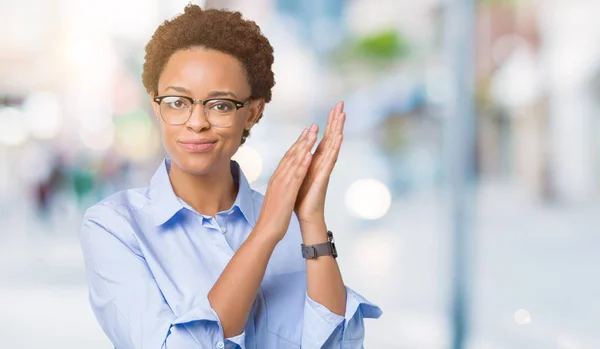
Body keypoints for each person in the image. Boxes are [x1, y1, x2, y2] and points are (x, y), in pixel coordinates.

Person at [79, 5, 381, 349]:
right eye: (177, 102)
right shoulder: (114, 227)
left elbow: (337, 345)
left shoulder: (293, 228)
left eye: (219, 105)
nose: (196, 122)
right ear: (155, 105)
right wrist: (266, 232)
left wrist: (310, 220)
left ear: (252, 112)